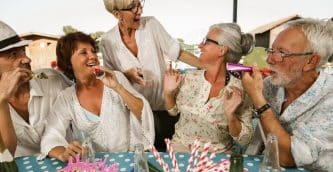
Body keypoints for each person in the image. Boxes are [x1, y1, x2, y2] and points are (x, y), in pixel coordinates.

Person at [100, 0, 202, 151]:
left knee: (172, 158)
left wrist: (207, 66)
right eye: (132, 8)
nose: (139, 11)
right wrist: (126, 75)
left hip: (166, 109)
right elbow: (109, 79)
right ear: (117, 14)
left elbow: (177, 52)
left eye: (140, 4)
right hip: (137, 117)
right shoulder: (107, 41)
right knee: (147, 162)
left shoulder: (151, 25)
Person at [242, 18, 333, 172]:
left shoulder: (330, 98)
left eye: (281, 53)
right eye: (271, 50)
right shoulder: (271, 85)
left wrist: (258, 99)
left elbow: (286, 157)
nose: (270, 59)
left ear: (310, 61)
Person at [40, 32, 154, 162]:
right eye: (84, 53)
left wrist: (118, 87)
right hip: (94, 168)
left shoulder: (115, 78)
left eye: (93, 52)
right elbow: (50, 136)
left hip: (128, 160)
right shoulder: (66, 98)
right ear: (68, 62)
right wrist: (63, 154)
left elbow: (143, 113)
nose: (93, 56)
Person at [163, 23, 254, 152]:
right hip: (180, 149)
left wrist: (231, 116)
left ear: (222, 50)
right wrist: (168, 92)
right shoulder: (189, 78)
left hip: (218, 156)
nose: (200, 45)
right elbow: (172, 111)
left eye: (206, 41)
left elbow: (244, 139)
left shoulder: (240, 90)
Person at [0, 20, 71, 157]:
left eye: (23, 51)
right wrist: (1, 101)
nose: (26, 59)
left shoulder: (52, 79)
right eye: (13, 55)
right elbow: (6, 156)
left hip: (68, 163)